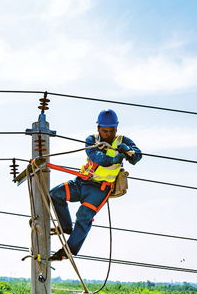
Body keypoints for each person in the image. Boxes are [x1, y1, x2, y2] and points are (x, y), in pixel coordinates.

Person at [49, 109, 141, 260]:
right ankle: (65, 227)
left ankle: (68, 251)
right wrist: (114, 160)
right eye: (105, 131)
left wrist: (128, 151)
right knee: (55, 194)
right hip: (82, 182)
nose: (109, 134)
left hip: (99, 190)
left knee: (84, 216)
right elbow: (96, 156)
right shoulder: (91, 140)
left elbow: (137, 156)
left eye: (112, 131)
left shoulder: (123, 141)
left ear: (116, 129)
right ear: (98, 128)